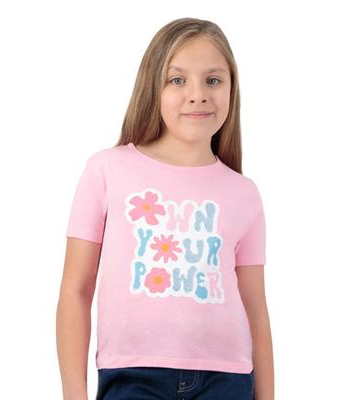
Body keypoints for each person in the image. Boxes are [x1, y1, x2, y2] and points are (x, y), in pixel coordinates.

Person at [56, 17, 274, 400]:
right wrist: (74, 393)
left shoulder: (244, 193)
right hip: (132, 375)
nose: (197, 94)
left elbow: (255, 307)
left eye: (213, 80)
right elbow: (76, 289)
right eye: (177, 80)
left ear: (232, 88)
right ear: (152, 86)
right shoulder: (107, 170)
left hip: (227, 380)